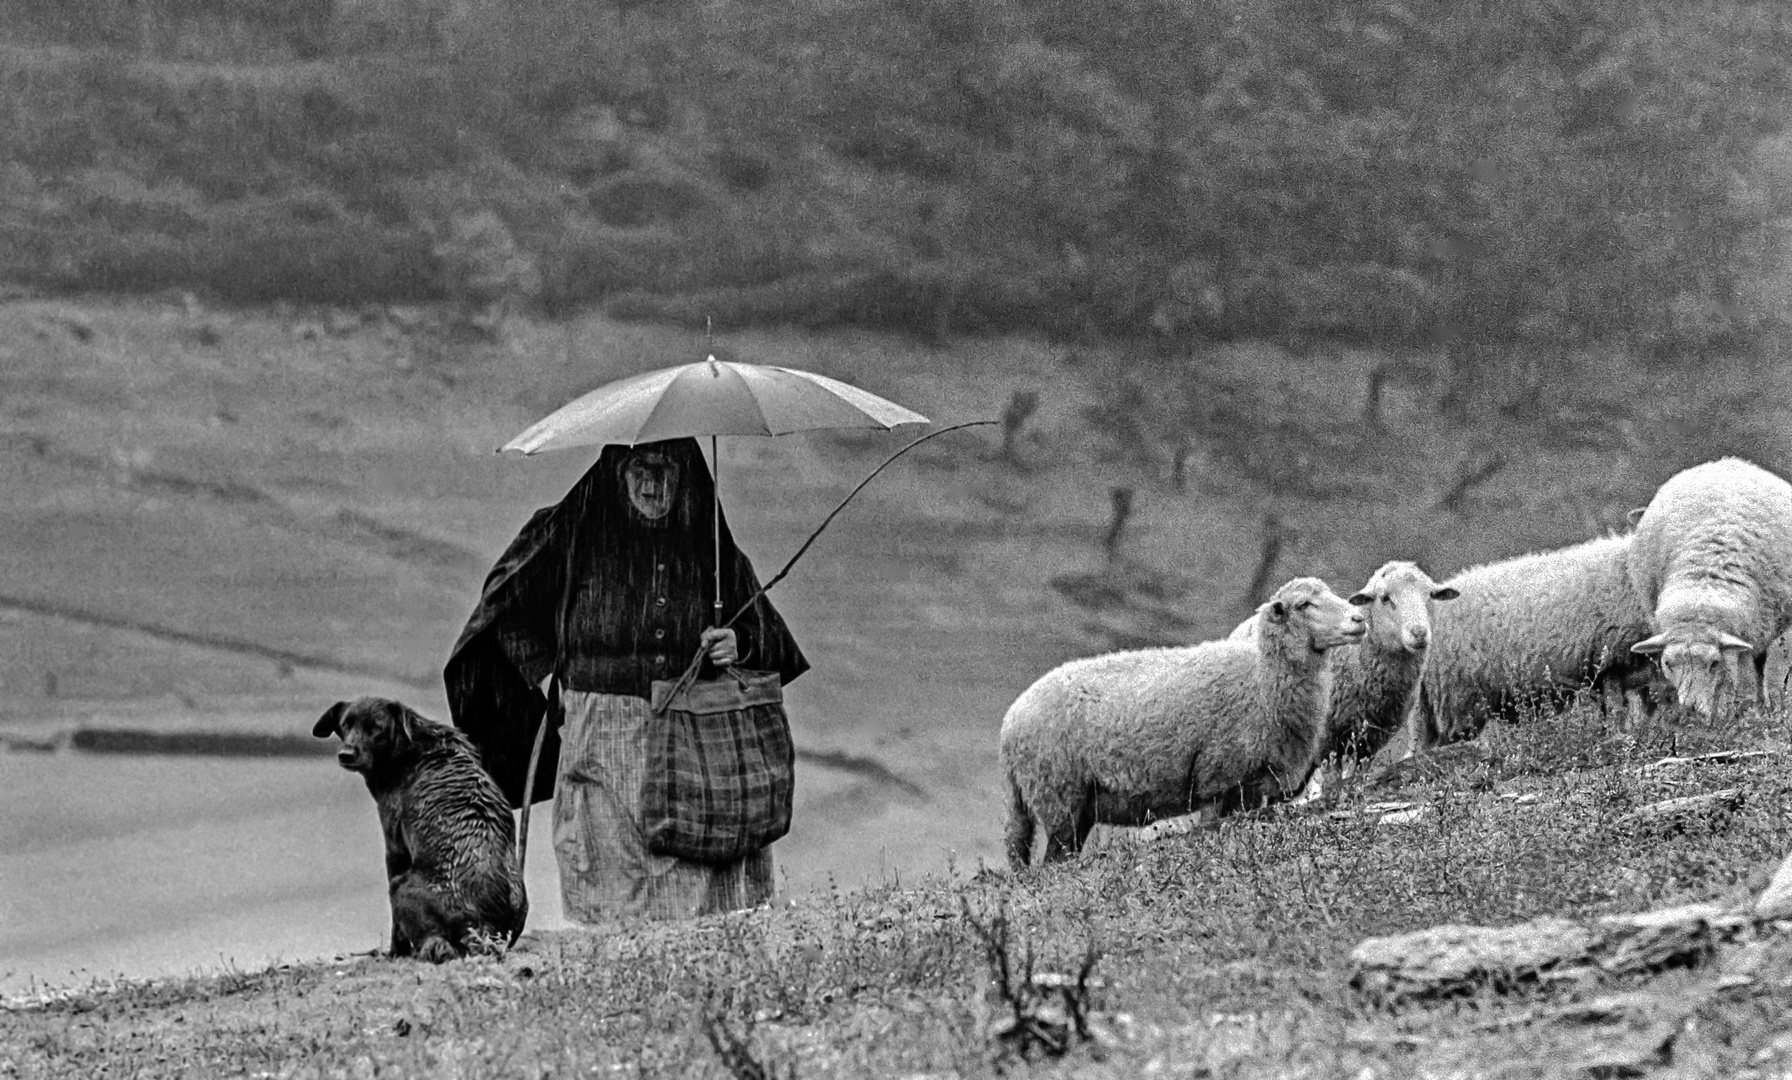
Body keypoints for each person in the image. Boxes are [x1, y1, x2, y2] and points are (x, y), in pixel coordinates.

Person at [444, 437, 808, 922]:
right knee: (609, 874)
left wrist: (737, 642)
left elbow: (769, 638)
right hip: (599, 738)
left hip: (696, 745)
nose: (651, 483)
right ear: (617, 473)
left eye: (665, 470)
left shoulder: (709, 548)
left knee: (699, 895)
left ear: (685, 478)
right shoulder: (574, 532)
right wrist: (544, 663)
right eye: (639, 467)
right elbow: (505, 601)